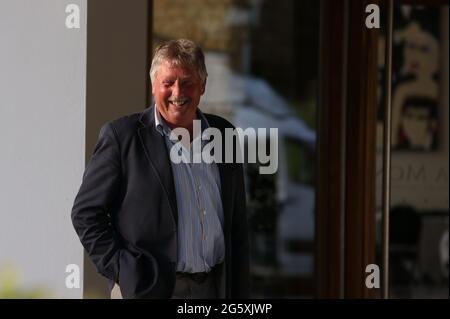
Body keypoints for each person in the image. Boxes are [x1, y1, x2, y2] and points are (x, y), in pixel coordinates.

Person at [71, 39, 250, 299]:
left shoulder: (224, 135)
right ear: (154, 85)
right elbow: (86, 213)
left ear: (203, 85)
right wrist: (123, 269)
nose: (178, 92)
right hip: (148, 289)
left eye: (187, 82)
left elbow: (237, 222)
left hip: (214, 287)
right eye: (168, 83)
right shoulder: (123, 137)